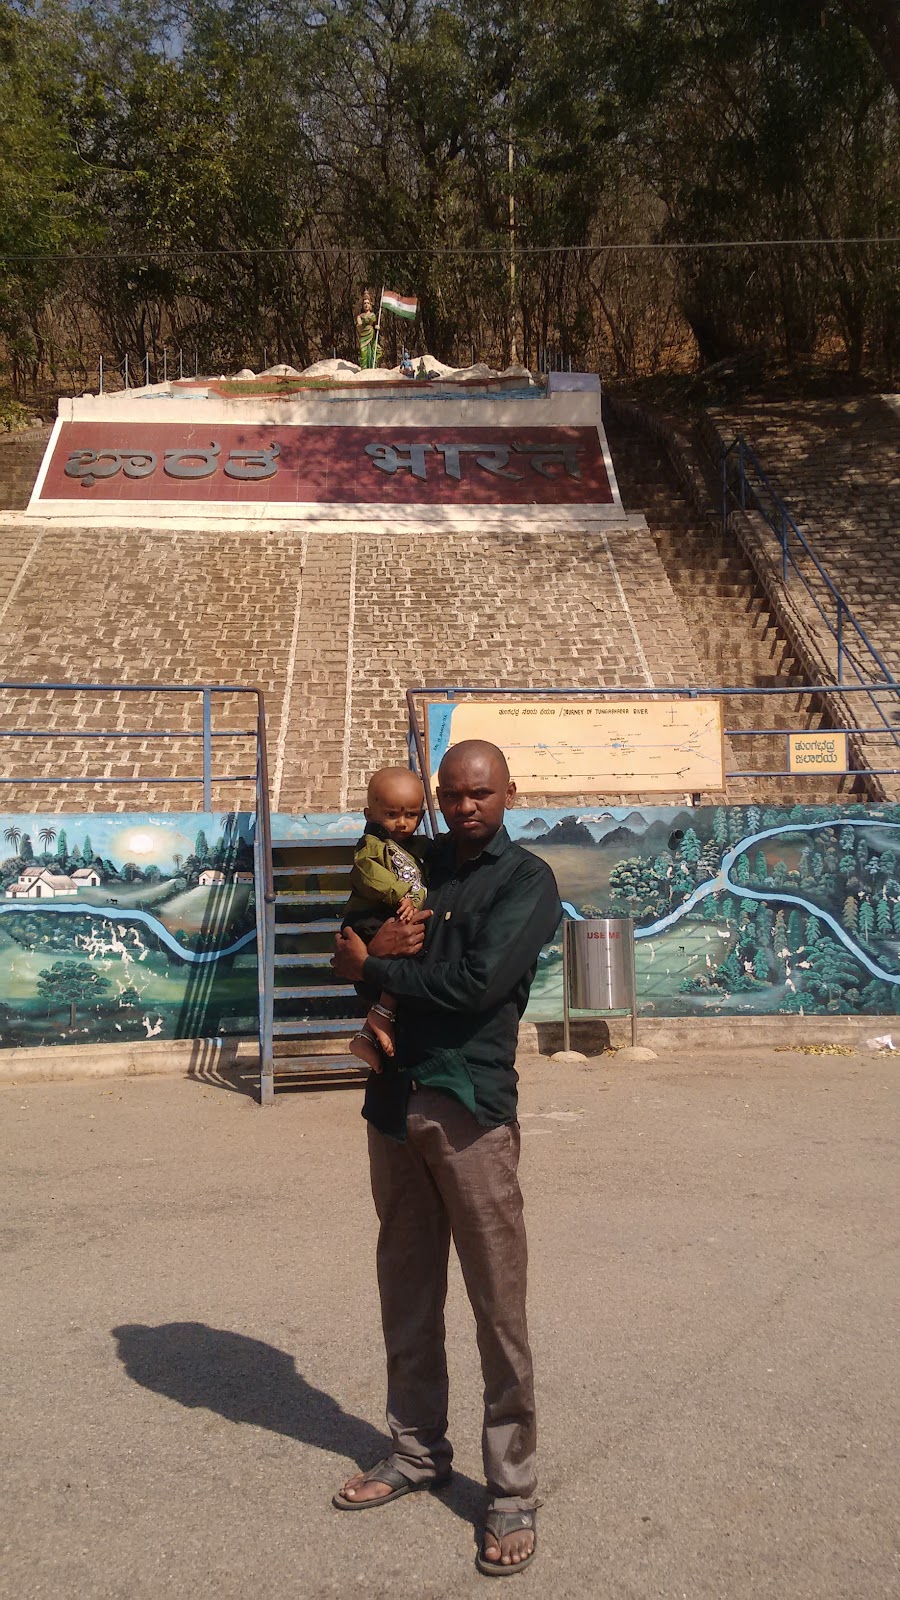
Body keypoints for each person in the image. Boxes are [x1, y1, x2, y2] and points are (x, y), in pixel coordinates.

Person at [331, 740, 562, 1576]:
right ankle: (416, 1450)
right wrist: (367, 957)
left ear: (508, 794)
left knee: (497, 1306)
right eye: (453, 795)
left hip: (468, 1109)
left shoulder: (526, 882)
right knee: (406, 1289)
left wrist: (381, 965)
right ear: (436, 796)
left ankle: (511, 1489)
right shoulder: (412, 862)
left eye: (481, 794)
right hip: (393, 1105)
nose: (465, 808)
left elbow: (475, 986)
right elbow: (350, 949)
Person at [343, 766, 430, 1071]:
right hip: (368, 919)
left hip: (389, 916)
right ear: (370, 814)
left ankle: (367, 1035)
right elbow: (369, 874)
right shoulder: (372, 845)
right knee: (405, 956)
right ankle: (380, 1017)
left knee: (412, 958)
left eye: (411, 815)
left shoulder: (416, 847)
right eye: (391, 814)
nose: (402, 823)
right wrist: (400, 894)